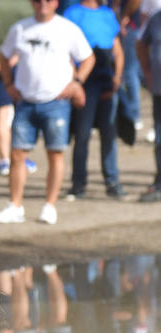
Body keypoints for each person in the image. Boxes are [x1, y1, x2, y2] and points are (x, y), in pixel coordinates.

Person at [0, 0, 93, 225]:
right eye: (38, 0)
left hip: (56, 101)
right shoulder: (20, 28)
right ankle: (15, 205)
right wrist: (8, 83)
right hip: (26, 101)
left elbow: (88, 57)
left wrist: (76, 82)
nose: (43, 4)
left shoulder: (67, 28)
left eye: (48, 0)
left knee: (55, 153)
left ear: (56, 2)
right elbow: (4, 55)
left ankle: (50, 205)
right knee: (17, 154)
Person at [63, 0, 124, 198]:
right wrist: (76, 82)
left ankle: (112, 182)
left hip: (106, 76)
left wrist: (117, 78)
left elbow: (117, 49)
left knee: (108, 133)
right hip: (86, 79)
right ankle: (78, 184)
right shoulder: (73, 13)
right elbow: (68, 51)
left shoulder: (107, 14)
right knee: (82, 134)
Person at [0, 0, 32, 173]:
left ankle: (5, 159)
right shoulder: (27, 6)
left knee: (1, 114)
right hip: (23, 64)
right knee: (22, 112)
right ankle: (21, 156)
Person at [137, 2, 161, 200]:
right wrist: (146, 70)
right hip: (159, 90)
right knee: (160, 138)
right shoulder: (156, 18)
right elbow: (140, 43)